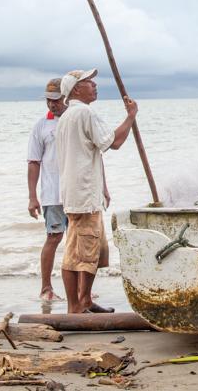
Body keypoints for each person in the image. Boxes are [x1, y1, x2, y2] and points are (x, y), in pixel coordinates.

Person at [55, 69, 138, 314]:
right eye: (89, 83)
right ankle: (77, 306)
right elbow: (114, 142)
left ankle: (84, 302)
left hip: (76, 192)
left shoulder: (68, 116)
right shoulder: (84, 112)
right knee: (85, 253)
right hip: (84, 194)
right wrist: (131, 116)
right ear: (76, 90)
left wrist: (103, 187)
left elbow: (92, 151)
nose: (94, 85)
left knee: (82, 249)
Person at [27, 78, 68, 301]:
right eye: (48, 100)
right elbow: (33, 162)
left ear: (67, 97)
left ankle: (82, 289)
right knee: (54, 237)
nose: (52, 105)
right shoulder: (42, 125)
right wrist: (32, 197)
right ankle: (46, 288)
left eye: (56, 99)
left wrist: (104, 188)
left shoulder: (75, 119)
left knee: (79, 241)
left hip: (78, 192)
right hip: (53, 194)